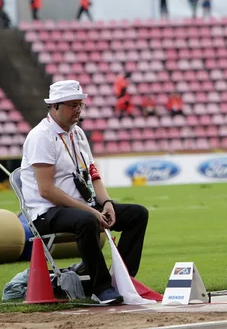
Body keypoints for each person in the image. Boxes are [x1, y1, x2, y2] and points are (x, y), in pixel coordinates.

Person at [20, 80, 149, 304]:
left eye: (81, 105)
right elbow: (46, 190)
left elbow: (93, 174)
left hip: (79, 206)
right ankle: (101, 288)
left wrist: (106, 202)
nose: (78, 110)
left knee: (137, 214)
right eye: (72, 105)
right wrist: (90, 211)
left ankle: (123, 280)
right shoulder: (41, 136)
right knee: (86, 220)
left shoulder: (77, 133)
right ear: (55, 106)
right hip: (46, 212)